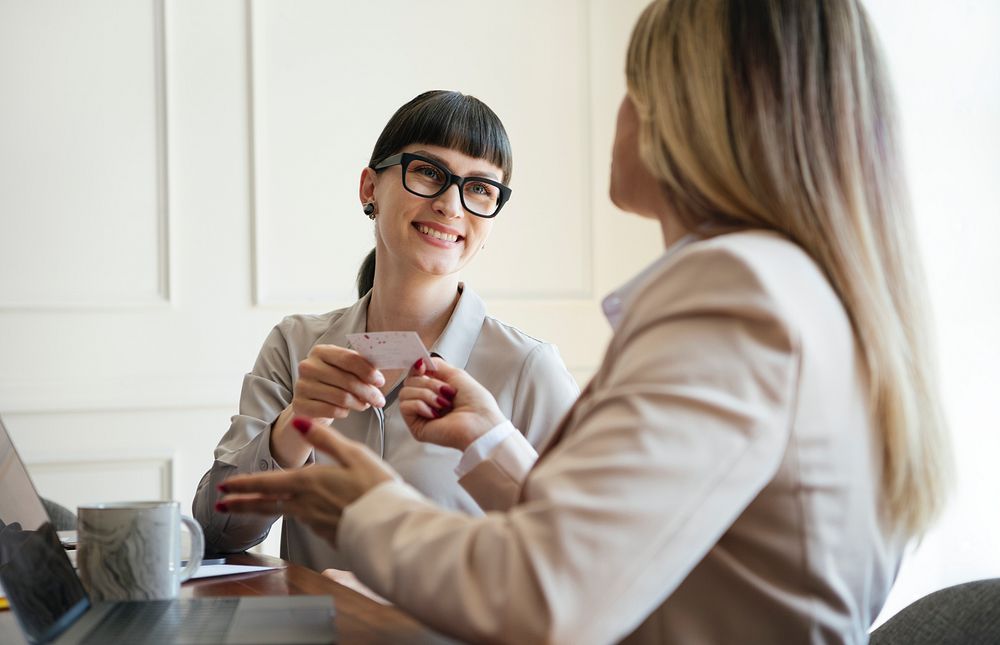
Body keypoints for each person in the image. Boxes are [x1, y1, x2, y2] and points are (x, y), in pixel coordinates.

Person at [216, 1, 953, 643]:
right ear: (370, 188)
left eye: (634, 89)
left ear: (688, 115)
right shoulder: (788, 288)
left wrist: (365, 508)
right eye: (430, 176)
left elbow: (548, 594)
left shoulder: (735, 295)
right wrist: (493, 440)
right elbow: (624, 545)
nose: (619, 113)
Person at [194, 90, 579, 572]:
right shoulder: (294, 346)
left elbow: (581, 556)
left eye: (480, 187)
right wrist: (296, 425)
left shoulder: (530, 369)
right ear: (369, 189)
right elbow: (213, 531)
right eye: (428, 172)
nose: (450, 205)